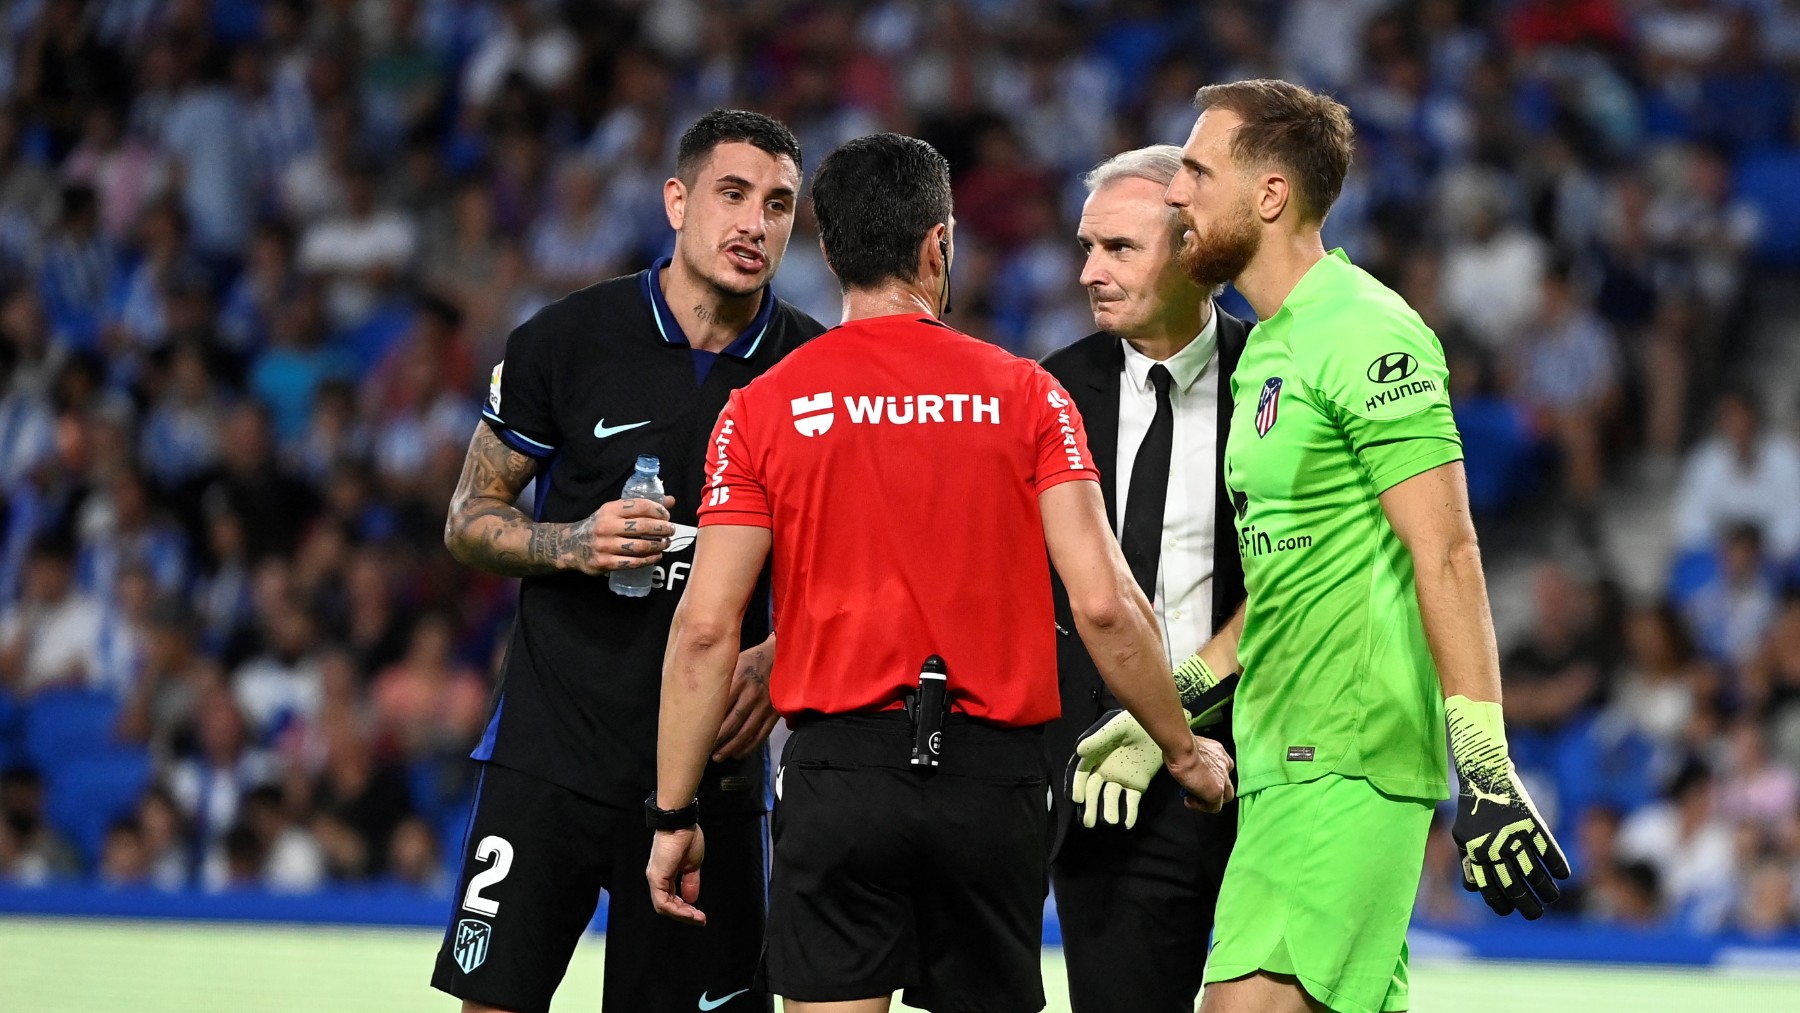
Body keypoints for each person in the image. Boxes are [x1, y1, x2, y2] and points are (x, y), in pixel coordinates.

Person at [645, 132, 1235, 1013]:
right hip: (990, 787)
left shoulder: (760, 406)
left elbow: (703, 629)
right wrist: (1183, 749)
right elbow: (1107, 604)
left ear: (827, 248)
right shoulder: (1030, 393)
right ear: (939, 245)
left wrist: (673, 811)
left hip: (836, 775)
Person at [1077, 80, 1571, 1013]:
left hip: (1343, 760)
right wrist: (1162, 707)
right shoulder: (1268, 348)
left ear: (1269, 196)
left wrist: (1489, 769)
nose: (1176, 192)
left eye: (1194, 169)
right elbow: (1283, 591)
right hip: (1279, 762)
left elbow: (1450, 550)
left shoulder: (1369, 330)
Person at [432, 110, 825, 1013]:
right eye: (731, 195)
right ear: (676, 201)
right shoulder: (565, 339)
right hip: (549, 753)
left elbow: (857, 562)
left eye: (777, 205)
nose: (753, 225)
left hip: (714, 774)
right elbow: (466, 517)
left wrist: (783, 654)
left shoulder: (812, 369)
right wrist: (572, 541)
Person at [1040, 143, 1251, 1013]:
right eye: (1086, 247)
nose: (1090, 271)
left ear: (1195, 250)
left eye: (1118, 249)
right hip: (1107, 776)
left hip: (1261, 762)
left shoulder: (1279, 382)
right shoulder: (1051, 392)